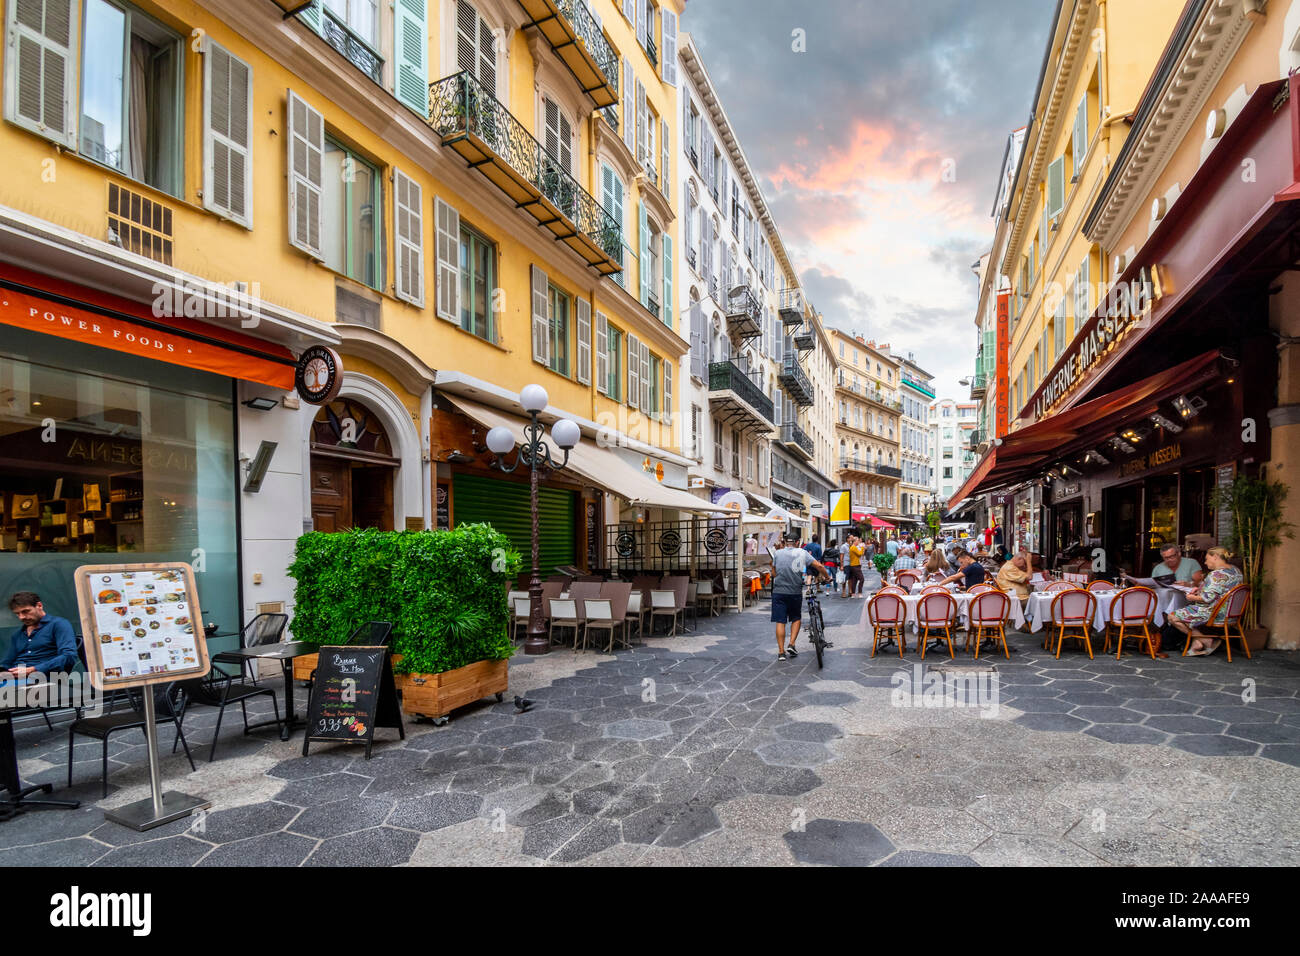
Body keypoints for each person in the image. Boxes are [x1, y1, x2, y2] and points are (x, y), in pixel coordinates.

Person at [1167, 547, 1244, 656]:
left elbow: (1207, 598)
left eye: (1207, 559)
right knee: (1187, 613)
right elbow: (1221, 589)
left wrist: (1191, 597)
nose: (1205, 562)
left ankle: (1205, 640)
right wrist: (1199, 589)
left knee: (1172, 617)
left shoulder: (1215, 575)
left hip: (1214, 613)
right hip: (1231, 613)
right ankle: (1197, 643)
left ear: (1215, 557)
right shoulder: (1236, 571)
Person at [771, 533, 830, 661]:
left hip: (779, 591)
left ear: (785, 542)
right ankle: (791, 644)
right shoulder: (802, 553)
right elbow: (819, 566)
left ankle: (781, 653)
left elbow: (774, 573)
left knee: (780, 621)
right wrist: (827, 577)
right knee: (796, 617)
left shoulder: (777, 553)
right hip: (794, 591)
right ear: (798, 542)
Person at [2, 591, 80, 685]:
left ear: (39, 605)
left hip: (42, 680)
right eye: (17, 614)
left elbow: (69, 656)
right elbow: (6, 662)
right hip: (14, 679)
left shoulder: (59, 625)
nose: (21, 617)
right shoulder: (18, 634)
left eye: (25, 611)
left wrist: (31, 670)